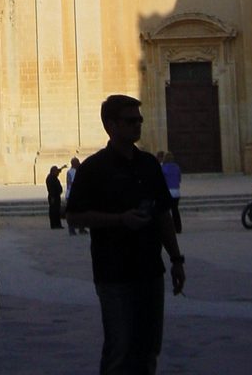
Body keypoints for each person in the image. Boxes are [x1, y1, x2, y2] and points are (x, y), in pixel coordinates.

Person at [66, 95, 185, 375]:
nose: (138, 125)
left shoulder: (149, 164)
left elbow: (163, 214)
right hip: (114, 274)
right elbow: (73, 216)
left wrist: (177, 259)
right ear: (111, 125)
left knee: (148, 350)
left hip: (150, 271)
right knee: (118, 350)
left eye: (139, 120)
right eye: (131, 120)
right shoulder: (94, 168)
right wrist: (120, 220)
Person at [158, 151, 182, 234]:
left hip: (168, 192)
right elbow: (179, 179)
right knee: (175, 211)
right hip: (176, 192)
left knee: (165, 212)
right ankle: (178, 228)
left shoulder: (163, 168)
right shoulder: (177, 167)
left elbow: (161, 180)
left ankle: (167, 229)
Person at [67, 157, 87, 234]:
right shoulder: (75, 172)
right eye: (78, 162)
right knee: (80, 212)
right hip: (76, 194)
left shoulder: (69, 171)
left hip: (70, 194)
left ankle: (73, 229)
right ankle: (80, 228)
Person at [46, 164, 65, 229]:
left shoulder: (53, 176)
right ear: (53, 172)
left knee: (57, 210)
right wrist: (52, 198)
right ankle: (54, 224)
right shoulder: (50, 179)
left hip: (56, 196)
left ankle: (57, 224)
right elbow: (50, 189)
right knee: (54, 211)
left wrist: (62, 168)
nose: (58, 173)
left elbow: (58, 170)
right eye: (56, 172)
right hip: (53, 197)